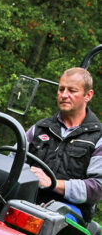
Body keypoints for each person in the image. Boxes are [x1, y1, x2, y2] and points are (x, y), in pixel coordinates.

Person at [26, 67, 102, 222]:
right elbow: (13, 160)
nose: (64, 95)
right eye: (61, 89)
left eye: (72, 90)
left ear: (88, 95)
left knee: (48, 222)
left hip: (70, 211)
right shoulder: (41, 128)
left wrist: (52, 184)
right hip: (29, 200)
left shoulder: (97, 137)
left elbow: (96, 188)